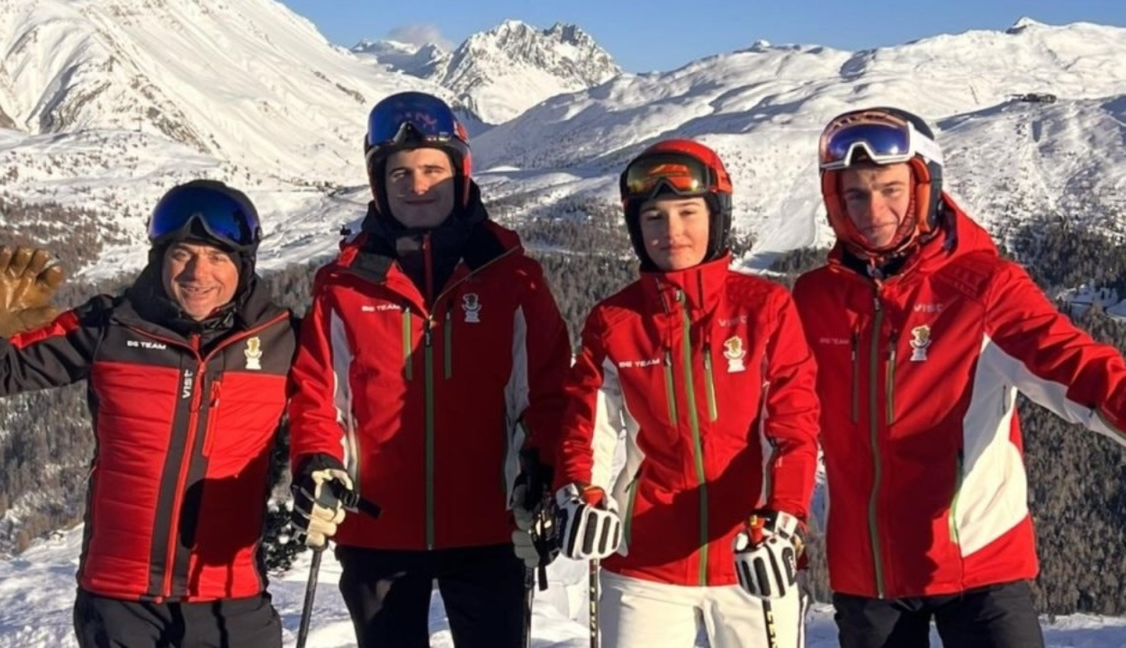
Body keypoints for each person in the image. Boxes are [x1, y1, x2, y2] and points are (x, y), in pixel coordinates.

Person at [794, 106, 1126, 648]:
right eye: (855, 194)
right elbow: (779, 412)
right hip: (869, 571)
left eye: (890, 189)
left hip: (980, 565)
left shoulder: (984, 288)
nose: (873, 210)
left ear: (924, 187)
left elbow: (1075, 365)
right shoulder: (816, 299)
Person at [287, 91, 570, 647]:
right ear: (379, 183)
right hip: (376, 529)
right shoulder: (345, 286)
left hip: (491, 527)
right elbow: (316, 393)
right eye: (400, 173)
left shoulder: (512, 278)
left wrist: (541, 468)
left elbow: (548, 391)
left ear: (459, 175)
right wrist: (318, 460)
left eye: (432, 170)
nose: (417, 186)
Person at [0, 180, 295, 647]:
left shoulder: (282, 341)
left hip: (231, 601)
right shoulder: (109, 326)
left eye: (218, 257)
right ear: (159, 257)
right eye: (183, 254)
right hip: (119, 602)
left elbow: (336, 418)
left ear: (244, 266)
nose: (198, 273)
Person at [554, 138, 821, 647]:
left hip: (750, 553)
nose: (671, 232)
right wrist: (582, 493)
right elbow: (588, 426)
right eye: (653, 217)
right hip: (644, 561)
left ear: (716, 217)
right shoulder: (616, 321)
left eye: (687, 213)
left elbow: (793, 427)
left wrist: (783, 520)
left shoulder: (764, 309)